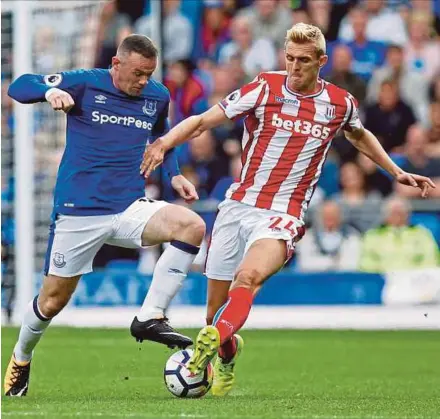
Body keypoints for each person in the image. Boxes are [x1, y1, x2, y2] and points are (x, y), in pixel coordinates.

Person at [141, 23, 436, 397]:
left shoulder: (339, 103)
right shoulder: (264, 87)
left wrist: (395, 170)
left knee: (246, 279)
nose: (295, 67)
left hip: (284, 213)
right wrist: (163, 144)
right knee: (213, 313)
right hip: (237, 207)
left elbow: (358, 133)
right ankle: (226, 352)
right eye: (290, 59)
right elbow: (202, 121)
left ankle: (208, 349)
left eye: (304, 61)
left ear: (322, 61)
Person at [4, 35, 206, 397]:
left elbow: (161, 137)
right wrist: (49, 93)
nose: (143, 81)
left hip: (129, 207)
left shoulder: (157, 96)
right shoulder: (84, 83)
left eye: (148, 73)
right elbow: (21, 86)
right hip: (78, 213)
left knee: (192, 225)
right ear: (116, 64)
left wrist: (173, 172)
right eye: (137, 73)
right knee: (52, 301)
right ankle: (21, 356)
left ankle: (150, 316)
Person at [359, 196, 439, 272]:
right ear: (385, 215)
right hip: (383, 281)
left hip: (415, 281)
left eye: (400, 212)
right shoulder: (373, 235)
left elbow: (431, 260)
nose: (397, 216)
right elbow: (366, 263)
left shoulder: (422, 233)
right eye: (393, 212)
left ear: (408, 214)